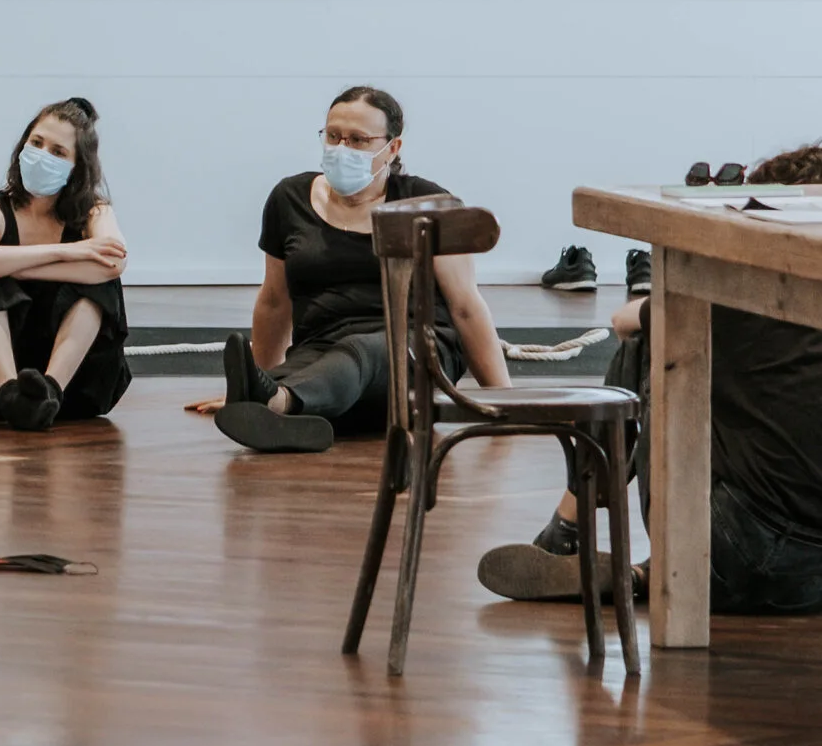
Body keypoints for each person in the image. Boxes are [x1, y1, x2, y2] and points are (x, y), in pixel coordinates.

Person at [479, 140, 822, 613]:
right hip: (812, 579)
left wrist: (669, 294)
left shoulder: (735, 297)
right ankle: (642, 575)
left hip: (738, 551)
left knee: (648, 342)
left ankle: (569, 529)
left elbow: (624, 322)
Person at [219, 84, 509, 452]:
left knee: (364, 351)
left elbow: (465, 306)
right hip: (321, 350)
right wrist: (262, 380)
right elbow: (275, 302)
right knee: (323, 373)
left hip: (415, 349)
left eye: (358, 140)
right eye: (333, 136)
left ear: (392, 148)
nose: (342, 148)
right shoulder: (288, 199)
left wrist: (505, 402)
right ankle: (280, 405)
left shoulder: (429, 203)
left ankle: (281, 403)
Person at [0, 97, 130, 429]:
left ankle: (48, 392)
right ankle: (14, 397)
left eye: (58, 152)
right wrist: (68, 252)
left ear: (77, 167)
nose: (43, 155)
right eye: (36, 143)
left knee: (101, 283)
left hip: (76, 389)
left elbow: (113, 264)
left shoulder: (95, 212)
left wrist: (11, 263)